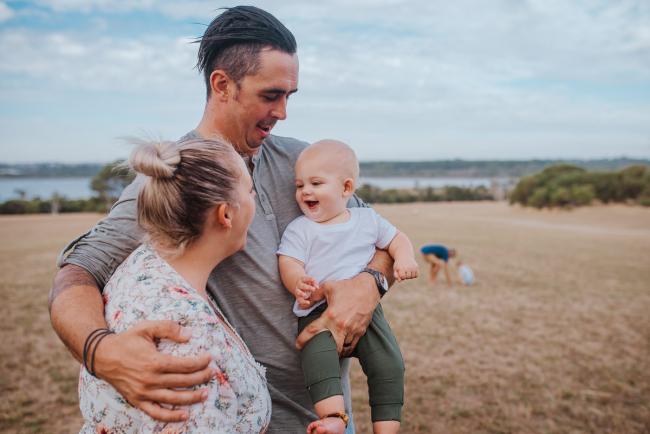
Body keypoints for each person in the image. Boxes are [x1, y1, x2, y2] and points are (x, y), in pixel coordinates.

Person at [48, 6, 394, 433]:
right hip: (242, 420)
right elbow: (78, 272)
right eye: (271, 95)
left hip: (331, 419)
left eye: (290, 96)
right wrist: (99, 351)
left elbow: (379, 239)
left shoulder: (302, 161)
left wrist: (368, 284)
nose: (283, 111)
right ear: (222, 84)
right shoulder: (172, 177)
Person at [79, 138, 270, 433]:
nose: (254, 197)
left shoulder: (142, 265)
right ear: (226, 214)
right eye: (250, 191)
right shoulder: (188, 336)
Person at [277, 140, 418, 434]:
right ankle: (334, 418)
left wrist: (405, 258)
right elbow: (288, 261)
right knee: (318, 360)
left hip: (366, 313)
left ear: (346, 188)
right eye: (300, 185)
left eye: (316, 183)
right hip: (317, 313)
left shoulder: (367, 219)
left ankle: (387, 427)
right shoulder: (300, 228)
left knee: (389, 364)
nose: (305, 191)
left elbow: (397, 240)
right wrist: (297, 281)